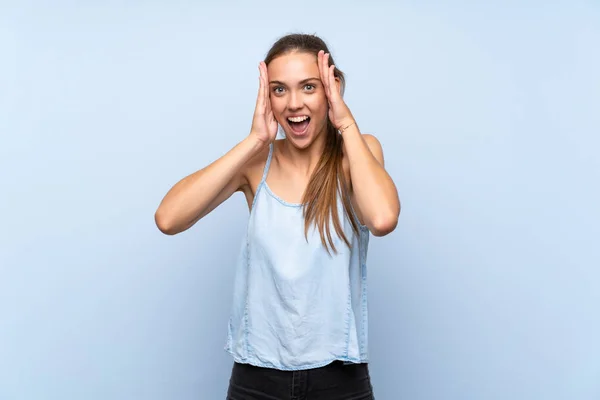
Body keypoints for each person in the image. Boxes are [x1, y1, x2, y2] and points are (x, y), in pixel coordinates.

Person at [154, 33, 400, 400]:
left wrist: (345, 122)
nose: (294, 103)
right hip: (256, 380)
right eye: (279, 90)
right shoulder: (256, 164)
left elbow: (382, 218)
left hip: (340, 379)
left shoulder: (358, 153)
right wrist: (255, 141)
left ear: (331, 89)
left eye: (309, 87)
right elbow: (168, 218)